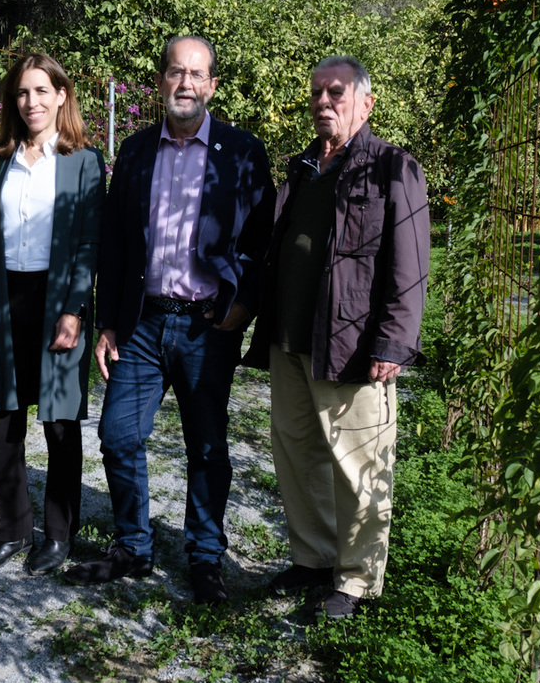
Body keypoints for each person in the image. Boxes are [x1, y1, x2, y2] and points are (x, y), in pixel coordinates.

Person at [62, 35, 274, 604]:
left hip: (209, 325)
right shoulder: (134, 152)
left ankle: (205, 555)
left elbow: (262, 242)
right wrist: (108, 321)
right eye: (175, 72)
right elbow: (114, 243)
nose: (185, 83)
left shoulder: (243, 153)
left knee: (206, 446)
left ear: (211, 86)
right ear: (161, 82)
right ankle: (133, 545)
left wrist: (246, 303)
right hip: (142, 322)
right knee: (117, 435)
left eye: (196, 74)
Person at [243, 55, 430, 619]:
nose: (324, 102)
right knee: (297, 452)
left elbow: (411, 265)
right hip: (291, 339)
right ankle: (313, 558)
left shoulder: (392, 168)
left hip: (351, 344)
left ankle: (354, 580)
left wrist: (393, 342)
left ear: (366, 103)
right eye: (317, 93)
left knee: (358, 462)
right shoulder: (302, 167)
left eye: (337, 93)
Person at [0, 53, 102, 575]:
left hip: (56, 301)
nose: (31, 102)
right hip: (1, 298)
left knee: (60, 422)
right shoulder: (2, 160)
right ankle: (11, 529)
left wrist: (74, 310)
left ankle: (59, 534)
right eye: (22, 92)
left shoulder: (83, 160)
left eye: (42, 91)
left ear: (62, 95)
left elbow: (88, 244)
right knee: (2, 420)